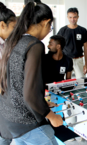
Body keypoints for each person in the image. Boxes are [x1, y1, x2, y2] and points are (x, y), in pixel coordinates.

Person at [0, 2, 63, 145]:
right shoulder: (34, 45)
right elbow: (30, 95)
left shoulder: (14, 40)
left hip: (9, 119)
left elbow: (14, 83)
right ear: (46, 22)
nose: (48, 31)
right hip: (27, 123)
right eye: (50, 27)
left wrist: (42, 103)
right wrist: (51, 116)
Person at [0, 2, 17, 145]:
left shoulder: (5, 43)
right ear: (2, 25)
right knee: (4, 133)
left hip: (6, 93)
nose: (15, 30)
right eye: (13, 27)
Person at [57, 7, 87, 79]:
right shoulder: (62, 30)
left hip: (78, 60)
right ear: (67, 17)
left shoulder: (83, 30)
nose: (72, 19)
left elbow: (85, 48)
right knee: (65, 82)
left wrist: (86, 64)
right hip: (65, 60)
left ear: (78, 17)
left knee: (81, 81)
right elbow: (58, 46)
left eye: (74, 17)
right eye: (70, 17)